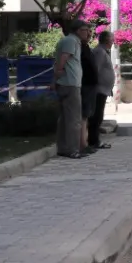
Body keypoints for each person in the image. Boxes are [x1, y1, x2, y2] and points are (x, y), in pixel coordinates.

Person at [52, 19, 91, 159]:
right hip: (70, 84)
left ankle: (63, 147)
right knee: (74, 118)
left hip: (67, 83)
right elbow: (63, 58)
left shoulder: (71, 41)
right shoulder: (71, 41)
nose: (88, 33)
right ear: (77, 30)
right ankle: (73, 149)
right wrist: (59, 71)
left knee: (64, 118)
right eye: (85, 30)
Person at [84, 30, 116, 151]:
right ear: (107, 40)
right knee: (96, 116)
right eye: (112, 39)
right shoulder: (99, 52)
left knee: (99, 115)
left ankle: (95, 140)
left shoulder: (103, 51)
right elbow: (95, 69)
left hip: (103, 89)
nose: (113, 41)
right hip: (98, 89)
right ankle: (93, 141)